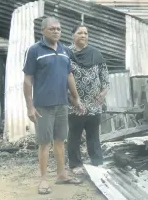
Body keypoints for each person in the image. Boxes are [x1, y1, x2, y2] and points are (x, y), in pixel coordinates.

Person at [23, 17, 85, 195]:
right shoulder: (35, 51)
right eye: (52, 29)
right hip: (43, 106)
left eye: (58, 29)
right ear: (43, 31)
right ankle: (43, 180)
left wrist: (76, 97)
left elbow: (69, 76)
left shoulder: (65, 50)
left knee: (60, 141)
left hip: (62, 104)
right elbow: (27, 79)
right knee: (44, 143)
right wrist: (29, 106)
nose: (56, 31)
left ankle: (61, 175)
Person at [67, 25, 110, 176]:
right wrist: (72, 99)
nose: (83, 35)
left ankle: (97, 161)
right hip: (74, 104)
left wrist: (103, 93)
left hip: (94, 104)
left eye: (86, 33)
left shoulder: (95, 54)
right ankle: (75, 164)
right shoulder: (66, 54)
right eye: (79, 32)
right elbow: (61, 79)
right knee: (75, 135)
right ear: (73, 35)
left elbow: (105, 78)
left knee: (93, 135)